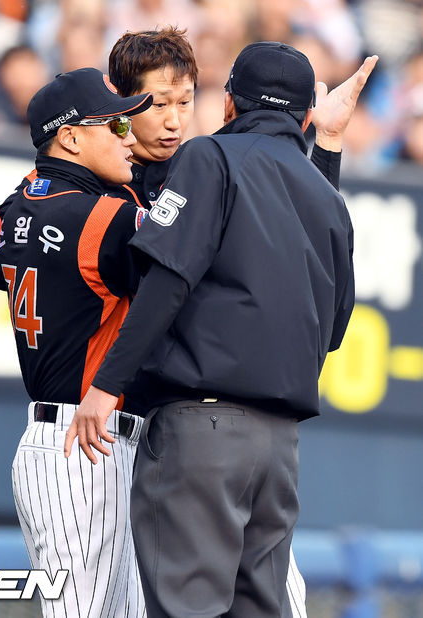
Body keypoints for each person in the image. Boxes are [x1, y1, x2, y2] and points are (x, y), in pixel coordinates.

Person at [0, 28, 377, 618]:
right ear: (82, 132)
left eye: (184, 101)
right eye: (141, 110)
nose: (165, 122)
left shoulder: (36, 197)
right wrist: (320, 149)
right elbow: (243, 255)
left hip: (119, 437)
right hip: (94, 437)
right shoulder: (111, 212)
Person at [66, 41, 358, 618]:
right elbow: (333, 330)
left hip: (202, 432)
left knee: (187, 608)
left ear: (228, 103)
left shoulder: (208, 157)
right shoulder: (330, 197)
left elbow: (168, 280)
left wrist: (105, 385)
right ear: (305, 117)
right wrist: (328, 145)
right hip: (279, 449)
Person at [0, 60, 152, 618]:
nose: (129, 135)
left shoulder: (27, 201)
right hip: (86, 448)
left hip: (67, 444)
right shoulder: (104, 218)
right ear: (71, 138)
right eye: (116, 124)